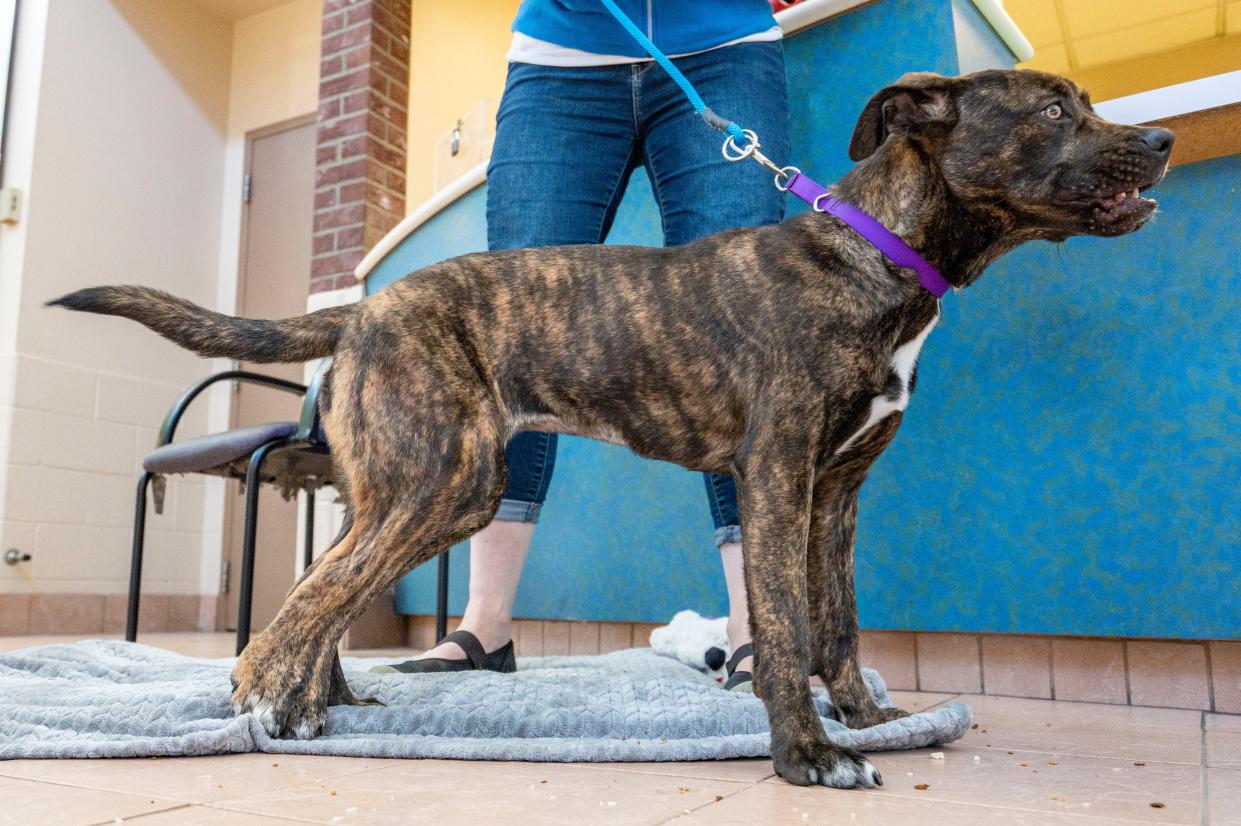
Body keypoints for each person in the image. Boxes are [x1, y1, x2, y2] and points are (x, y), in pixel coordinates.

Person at [381, 0, 789, 691]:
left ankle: (758, 632)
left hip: (724, 46)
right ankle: (484, 626)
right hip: (559, 60)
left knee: (740, 331)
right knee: (512, 334)